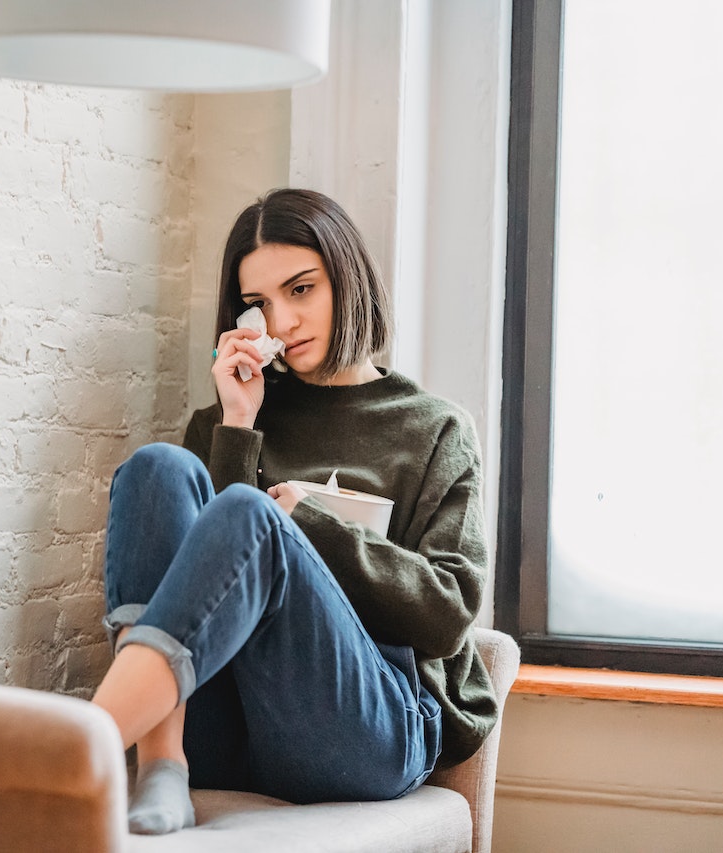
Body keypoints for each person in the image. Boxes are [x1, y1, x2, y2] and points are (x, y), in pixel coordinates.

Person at [92, 188, 499, 835]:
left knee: (253, 515)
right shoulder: (230, 418)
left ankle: (74, 751)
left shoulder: (435, 429)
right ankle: (161, 761)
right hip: (228, 726)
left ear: (346, 276)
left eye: (301, 289)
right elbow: (200, 589)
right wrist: (237, 423)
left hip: (362, 726)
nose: (279, 321)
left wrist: (308, 523)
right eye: (259, 303)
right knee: (156, 468)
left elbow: (448, 612)